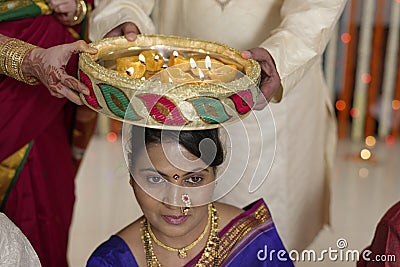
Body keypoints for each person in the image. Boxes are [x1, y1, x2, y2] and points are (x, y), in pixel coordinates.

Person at [88, 0, 347, 251]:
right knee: (176, 225)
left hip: (268, 92)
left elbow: (317, 6)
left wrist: (280, 55)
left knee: (256, 242)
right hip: (177, 86)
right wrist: (121, 19)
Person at [87, 125, 294, 266]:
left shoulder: (253, 243)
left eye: (193, 180)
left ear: (215, 175)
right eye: (156, 180)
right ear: (132, 178)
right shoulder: (112, 261)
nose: (175, 202)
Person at [0, 1, 97, 266]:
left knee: (45, 217)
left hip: (44, 109)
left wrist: (76, 8)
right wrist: (29, 60)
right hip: (13, 98)